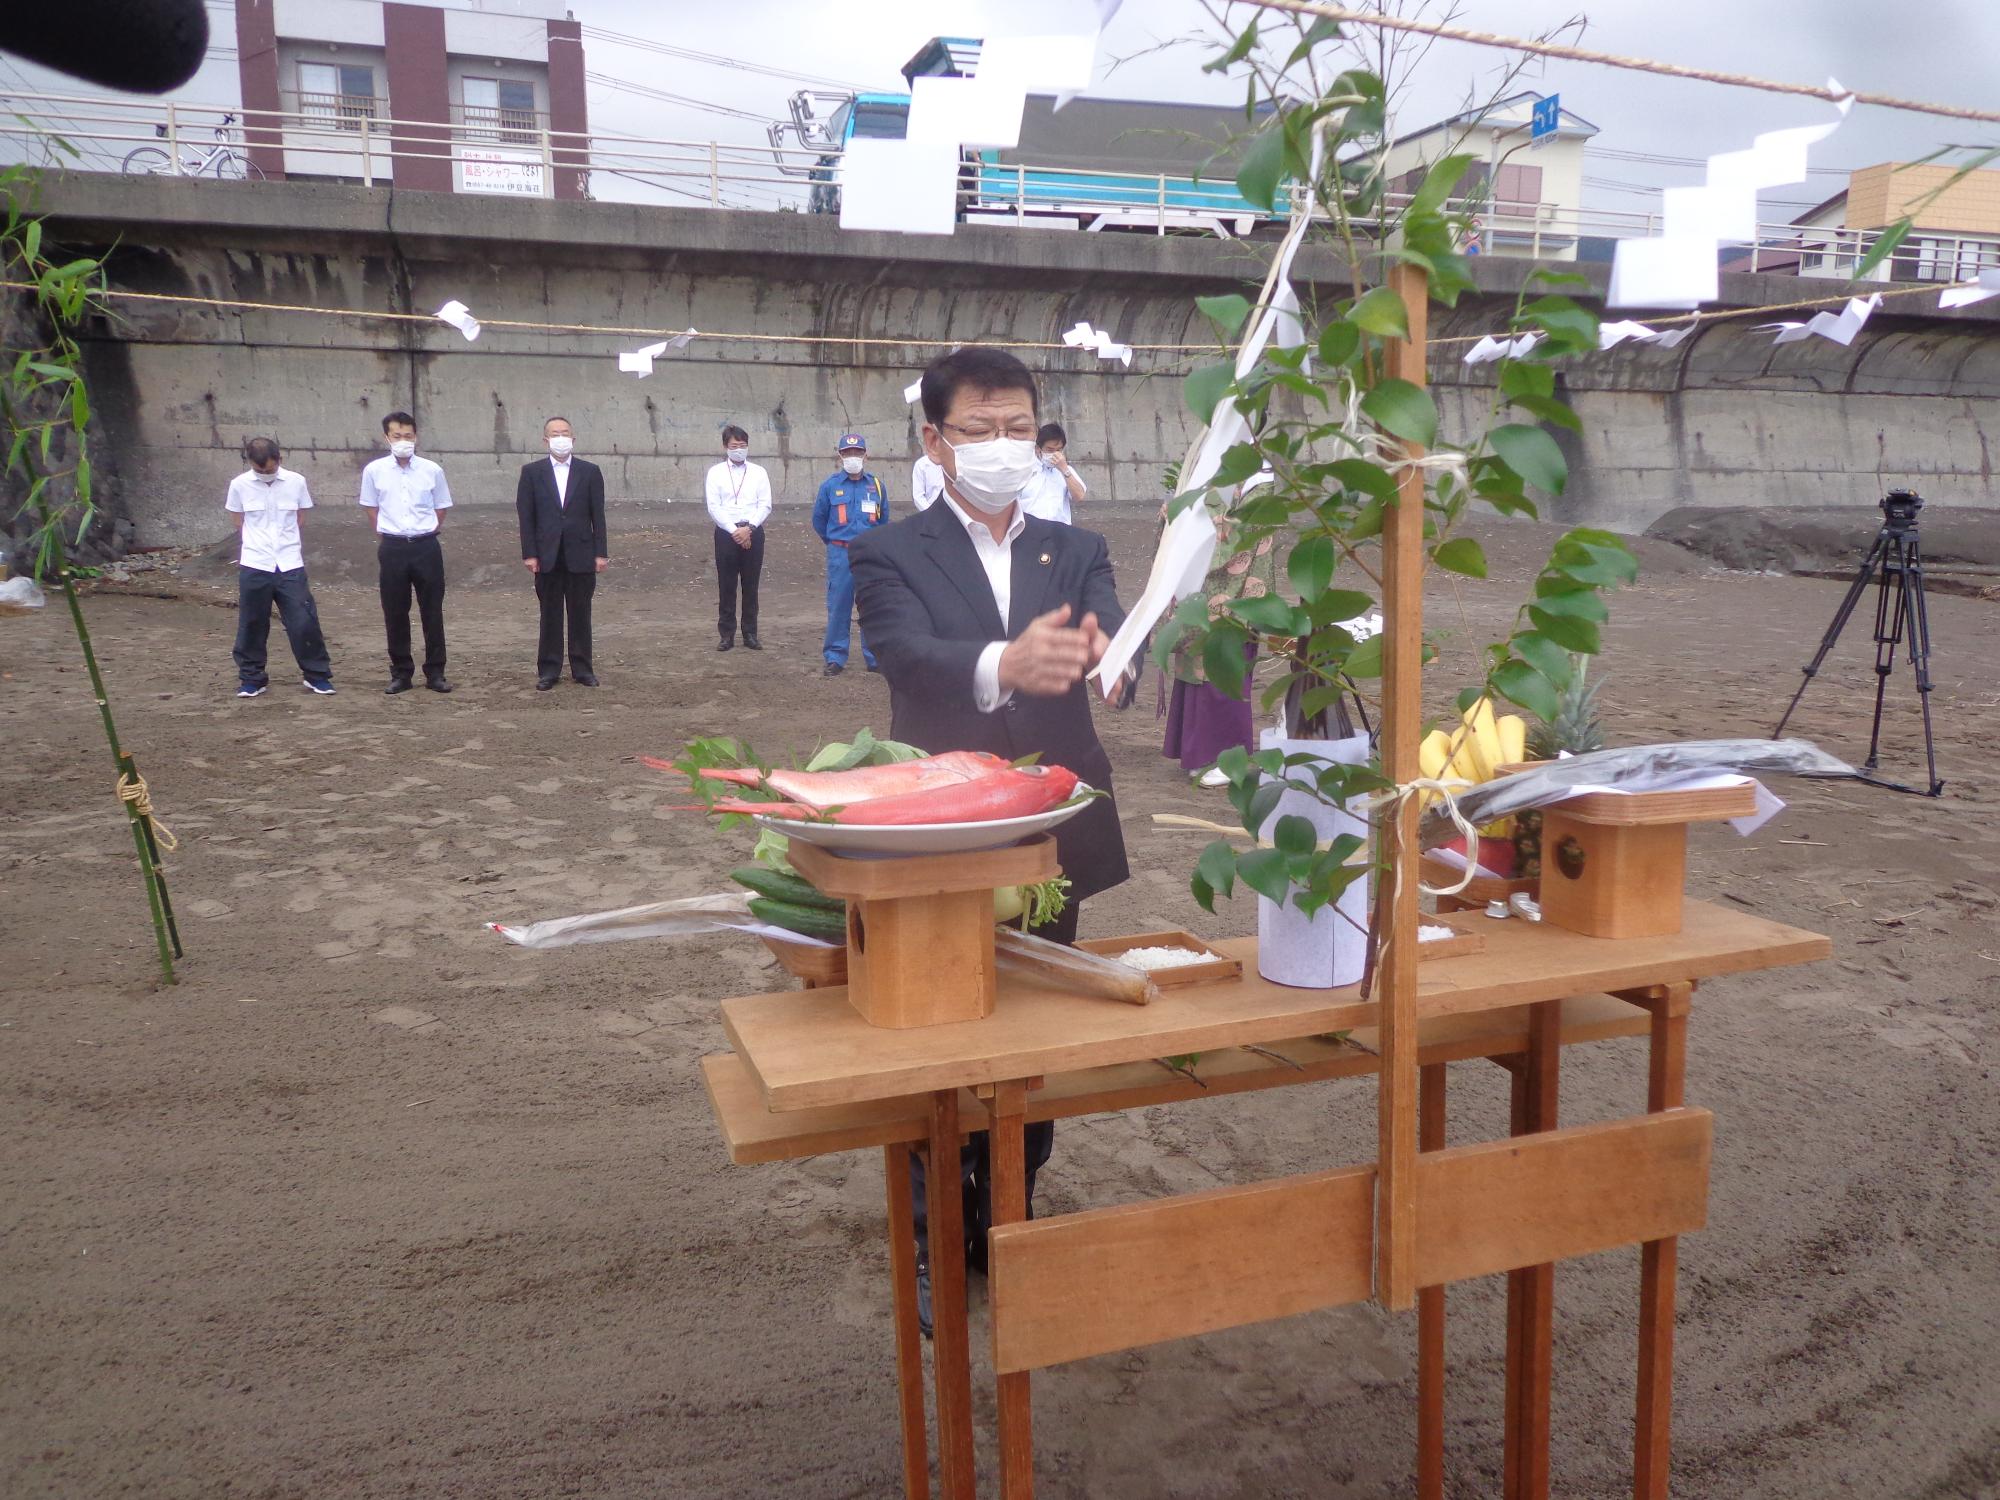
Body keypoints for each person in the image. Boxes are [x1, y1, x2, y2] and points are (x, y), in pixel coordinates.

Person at [851, 347, 1136, 1336]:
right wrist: (996, 662)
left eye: (1016, 425)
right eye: (977, 429)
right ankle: (934, 1240)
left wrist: (1109, 657)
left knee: (1035, 1036)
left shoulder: (1076, 547)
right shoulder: (887, 552)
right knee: (940, 1039)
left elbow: (1109, 638)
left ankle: (1005, 1218)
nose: (1000, 446)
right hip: (942, 834)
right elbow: (903, 653)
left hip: (1055, 832)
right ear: (933, 441)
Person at [1161, 470, 1275, 787]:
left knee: (1225, 673)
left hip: (1237, 591)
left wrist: (1191, 518)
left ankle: (1229, 759)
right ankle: (1199, 753)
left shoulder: (1259, 480)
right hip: (1204, 588)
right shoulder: (1220, 471)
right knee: (1197, 668)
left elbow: (1244, 536)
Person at [225, 436, 334, 698]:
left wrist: (285, 543)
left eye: (270, 469)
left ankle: (316, 675)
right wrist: (258, 544)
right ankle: (252, 678)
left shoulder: (296, 482)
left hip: (289, 563)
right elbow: (238, 520)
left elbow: (300, 516)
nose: (265, 474)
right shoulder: (239, 485)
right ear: (250, 463)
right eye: (260, 470)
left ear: (279, 460)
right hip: (255, 563)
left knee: (303, 621)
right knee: (252, 623)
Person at [359, 411, 453, 694]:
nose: (403, 441)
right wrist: (388, 533)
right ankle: (401, 672)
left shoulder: (432, 470)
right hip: (393, 547)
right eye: (397, 436)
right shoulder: (374, 471)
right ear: (386, 437)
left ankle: (435, 672)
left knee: (432, 611)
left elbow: (441, 507)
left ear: (416, 436)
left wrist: (426, 530)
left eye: (408, 436)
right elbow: (371, 508)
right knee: (395, 611)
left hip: (426, 546)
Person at [516, 415, 608, 690]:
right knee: (550, 614)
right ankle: (549, 669)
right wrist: (529, 553)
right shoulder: (531, 473)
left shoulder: (590, 471)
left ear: (573, 438)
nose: (560, 438)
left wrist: (600, 553)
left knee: (581, 613)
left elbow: (598, 516)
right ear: (545, 440)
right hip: (547, 554)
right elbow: (526, 516)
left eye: (565, 432)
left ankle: (582, 668)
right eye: (554, 433)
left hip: (581, 553)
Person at [812, 432, 889, 676]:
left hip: (869, 554)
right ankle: (835, 657)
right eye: (847, 453)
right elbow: (819, 520)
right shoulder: (830, 486)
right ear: (840, 456)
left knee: (872, 606)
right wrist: (835, 542)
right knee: (839, 606)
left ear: (866, 454)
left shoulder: (876, 485)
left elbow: (883, 519)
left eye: (857, 452)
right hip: (841, 553)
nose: (852, 457)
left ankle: (874, 657)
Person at [704, 424, 770, 651]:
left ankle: (750, 633)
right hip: (726, 533)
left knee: (751, 585)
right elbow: (714, 506)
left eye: (743, 445)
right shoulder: (715, 473)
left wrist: (749, 529)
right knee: (727, 584)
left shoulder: (759, 472)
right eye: (734, 446)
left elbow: (765, 505)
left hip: (753, 530)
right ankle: (726, 634)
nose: (739, 450)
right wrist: (735, 531)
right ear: (725, 447)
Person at [1016, 420, 1087, 525]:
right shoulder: (1023, 470)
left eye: (1059, 450)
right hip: (1030, 530)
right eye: (1050, 450)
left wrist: (1064, 470)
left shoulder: (1067, 470)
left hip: (1060, 531)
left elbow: (1079, 497)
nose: (1055, 454)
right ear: (1037, 449)